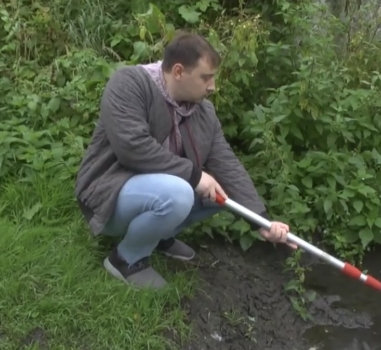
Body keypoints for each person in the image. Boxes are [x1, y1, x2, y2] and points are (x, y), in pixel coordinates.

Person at [74, 31, 294, 289]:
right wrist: (196, 176)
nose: (212, 86)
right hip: (108, 194)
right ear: (178, 72)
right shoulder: (129, 84)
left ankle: (159, 235)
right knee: (181, 191)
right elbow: (132, 147)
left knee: (224, 191)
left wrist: (261, 221)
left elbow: (227, 164)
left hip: (157, 192)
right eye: (206, 78)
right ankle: (126, 259)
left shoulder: (203, 111)